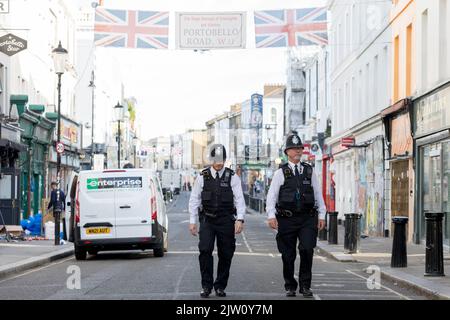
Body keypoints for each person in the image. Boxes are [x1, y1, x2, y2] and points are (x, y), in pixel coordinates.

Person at [266, 132, 326, 298]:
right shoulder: (281, 173)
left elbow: (318, 193)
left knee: (307, 249)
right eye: (294, 149)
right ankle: (290, 285)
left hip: (307, 218)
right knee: (288, 254)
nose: (298, 151)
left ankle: (305, 286)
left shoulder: (309, 170)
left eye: (299, 148)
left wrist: (322, 215)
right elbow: (271, 197)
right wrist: (271, 215)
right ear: (287, 152)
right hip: (287, 219)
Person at [188, 144, 246, 298]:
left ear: (225, 160)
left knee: (226, 253)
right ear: (211, 159)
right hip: (207, 220)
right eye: (216, 159)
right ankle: (206, 286)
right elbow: (194, 199)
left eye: (222, 160)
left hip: (226, 220)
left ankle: (220, 285)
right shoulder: (202, 176)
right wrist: (192, 221)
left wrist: (240, 219)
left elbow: (240, 199)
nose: (219, 163)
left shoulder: (232, 177)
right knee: (205, 250)